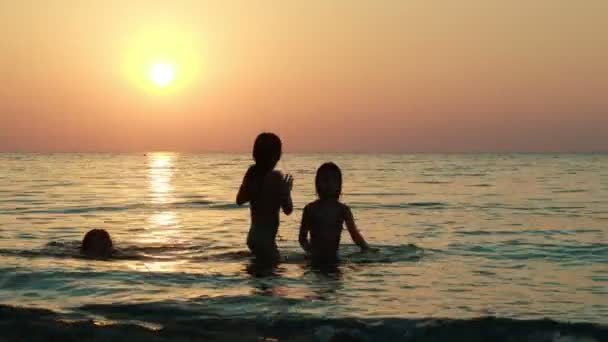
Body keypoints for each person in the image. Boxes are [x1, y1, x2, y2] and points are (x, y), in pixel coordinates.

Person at [299, 162, 371, 264]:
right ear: (317, 183)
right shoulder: (310, 209)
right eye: (325, 180)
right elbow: (302, 238)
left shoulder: (343, 210)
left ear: (339, 185)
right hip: (314, 258)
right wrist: (309, 250)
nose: (329, 184)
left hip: (334, 258)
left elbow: (354, 235)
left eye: (334, 181)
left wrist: (366, 248)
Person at [236, 133, 293, 261]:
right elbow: (288, 210)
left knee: (258, 272)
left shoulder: (251, 174)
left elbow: (239, 200)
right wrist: (287, 191)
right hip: (267, 240)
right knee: (273, 273)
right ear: (276, 156)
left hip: (253, 237)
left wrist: (251, 186)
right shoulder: (277, 177)